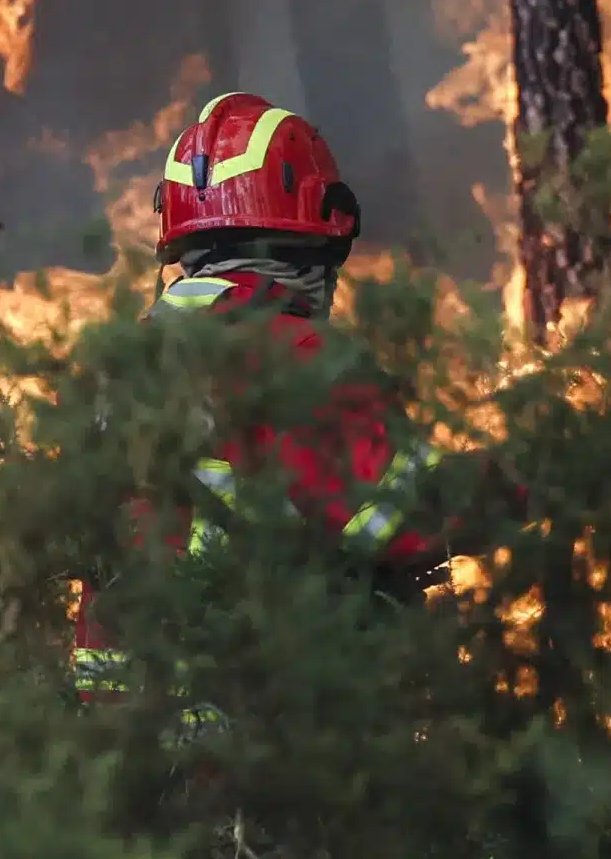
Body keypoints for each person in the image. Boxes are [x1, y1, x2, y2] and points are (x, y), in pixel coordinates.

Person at [70, 92, 475, 734]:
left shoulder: (122, 359)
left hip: (116, 748)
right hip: (259, 749)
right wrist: (548, 474)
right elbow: (404, 519)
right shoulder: (302, 356)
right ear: (323, 235)